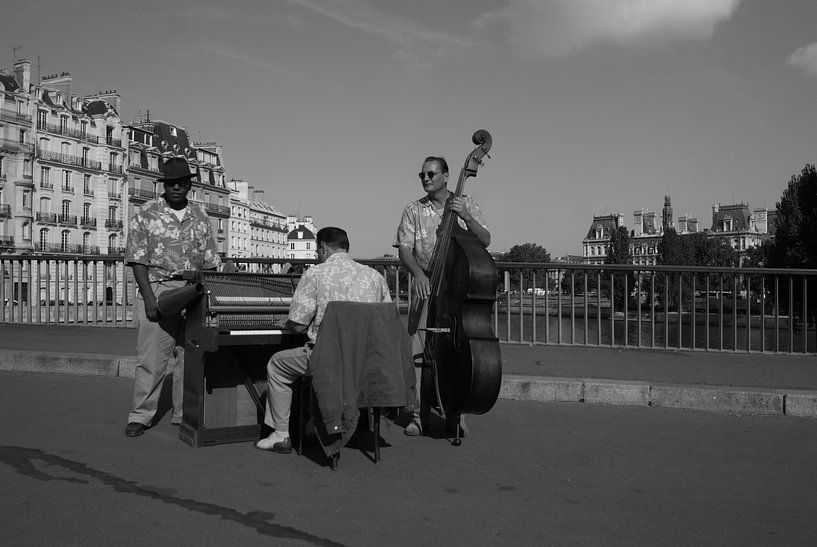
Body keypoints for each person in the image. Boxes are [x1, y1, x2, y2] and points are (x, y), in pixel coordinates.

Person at [255, 226, 392, 453]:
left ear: (323, 248)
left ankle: (280, 434)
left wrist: (287, 322)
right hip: (366, 362)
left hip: (328, 361)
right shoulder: (375, 276)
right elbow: (385, 323)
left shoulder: (315, 274)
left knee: (277, 364)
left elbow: (298, 324)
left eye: (318, 251)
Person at [393, 155, 491, 436]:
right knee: (418, 350)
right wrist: (418, 274)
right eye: (422, 174)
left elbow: (484, 240)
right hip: (426, 283)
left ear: (447, 177)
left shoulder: (466, 203)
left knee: (457, 352)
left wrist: (466, 216)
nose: (426, 178)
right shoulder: (413, 210)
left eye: (431, 174)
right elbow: (404, 248)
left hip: (456, 288)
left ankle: (455, 410)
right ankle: (417, 415)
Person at [123, 157, 220, 438]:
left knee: (188, 355)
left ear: (189, 184)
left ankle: (184, 412)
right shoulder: (146, 212)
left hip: (193, 291)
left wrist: (208, 299)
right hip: (159, 288)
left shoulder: (201, 216)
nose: (176, 187)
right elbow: (137, 260)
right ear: (163, 185)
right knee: (152, 358)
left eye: (181, 182)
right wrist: (149, 297)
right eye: (170, 183)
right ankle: (141, 415)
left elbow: (211, 263)